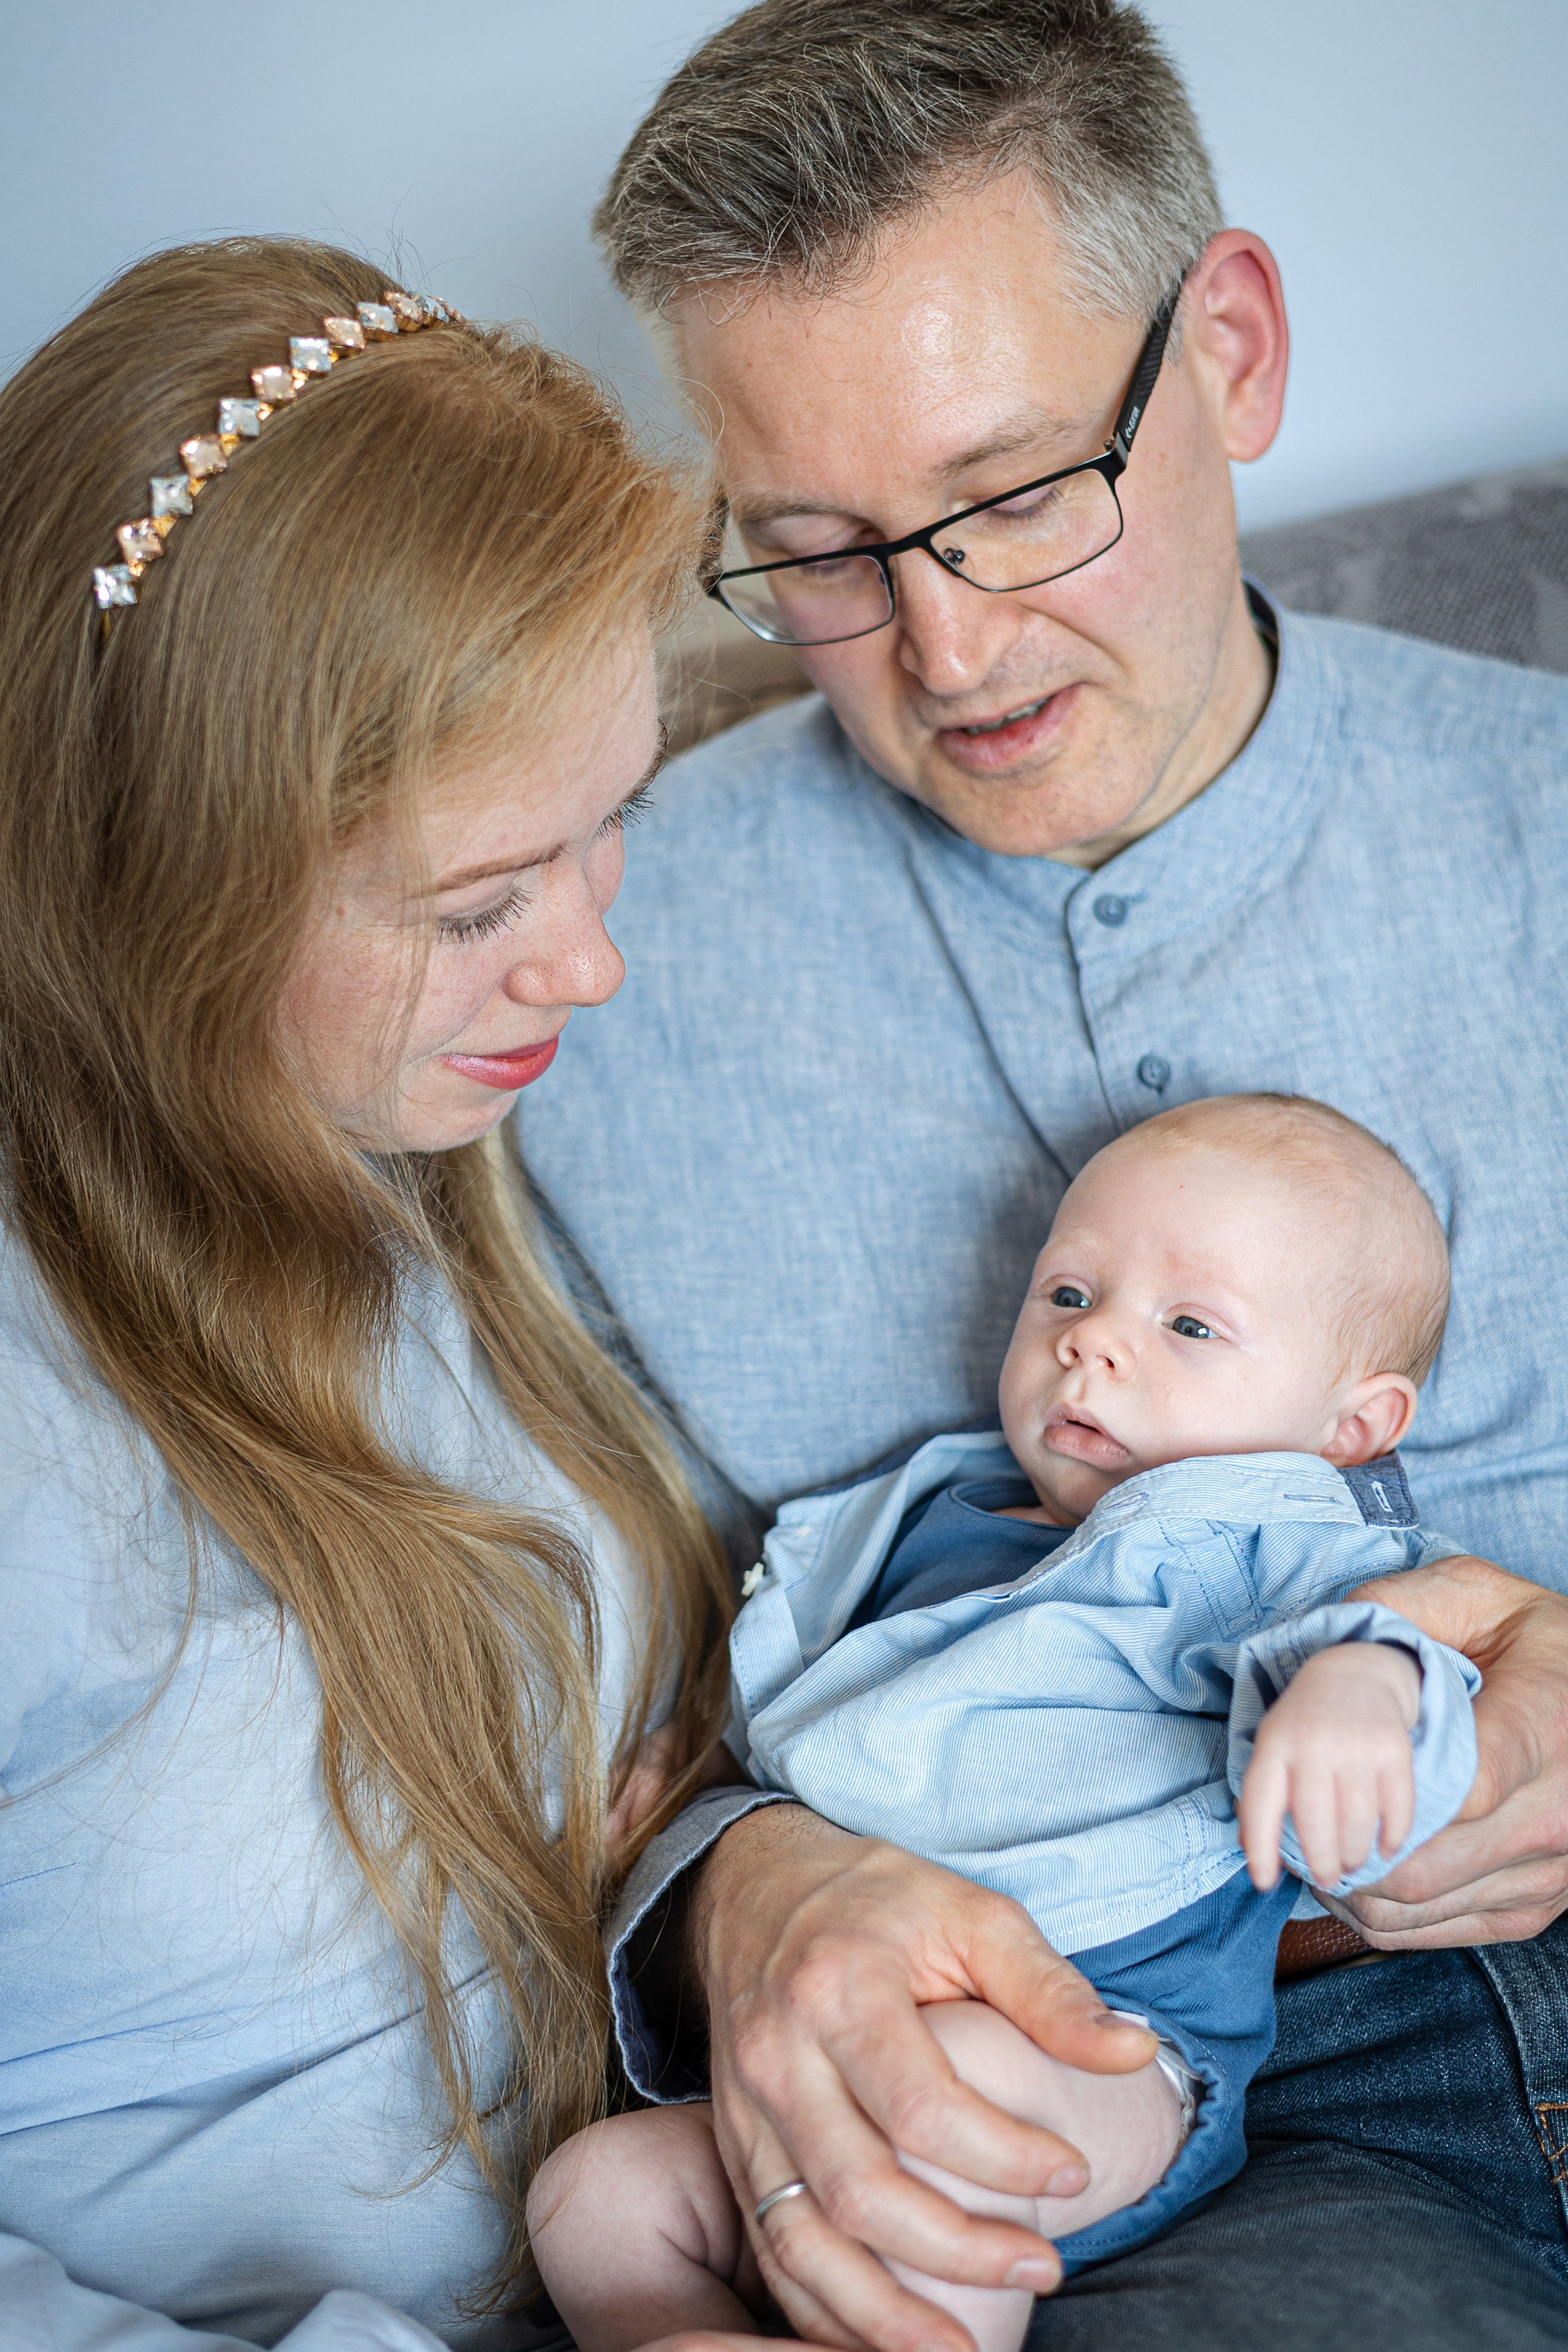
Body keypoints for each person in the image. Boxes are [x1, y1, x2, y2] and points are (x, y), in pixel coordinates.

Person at [519, 2, 1568, 2345]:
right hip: (1069, 2057)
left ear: (1234, 350)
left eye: (1014, 502)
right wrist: (746, 1888)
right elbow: (550, 1683)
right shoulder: (589, 970)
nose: (949, 646)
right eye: (814, 554)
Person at [0, 236, 754, 2352]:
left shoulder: (419, 1140)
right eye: (481, 899)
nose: (587, 961)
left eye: (611, 823)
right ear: (163, 878)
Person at [528, 1093, 1482, 2352]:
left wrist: (1368, 1689)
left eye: (1188, 1325)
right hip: (823, 2033)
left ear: (1348, 1428)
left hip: (1095, 2048)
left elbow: (1405, 1662)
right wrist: (700, 1763)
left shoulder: (1272, 1555)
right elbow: (827, 1725)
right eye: (1069, 1297)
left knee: (950, 2117)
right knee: (590, 2196)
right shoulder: (920, 1520)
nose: (1090, 1350)